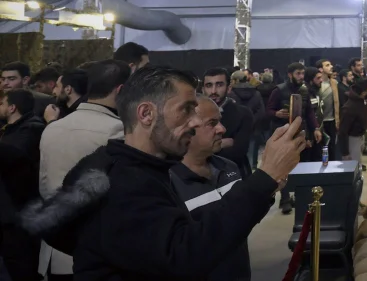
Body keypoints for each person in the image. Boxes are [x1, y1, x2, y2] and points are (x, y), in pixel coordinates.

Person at [26, 66, 305, 281]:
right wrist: (264, 177)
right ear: (146, 114)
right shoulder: (124, 181)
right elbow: (184, 254)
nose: (195, 122)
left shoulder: (124, 166)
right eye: (186, 110)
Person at [37, 59, 130, 281]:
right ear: (121, 90)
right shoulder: (118, 130)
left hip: (54, 247)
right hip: (93, 253)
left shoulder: (52, 127)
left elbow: (44, 187)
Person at [169, 97, 252, 281]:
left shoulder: (229, 167)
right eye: (212, 123)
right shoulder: (169, 182)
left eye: (220, 121)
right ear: (186, 129)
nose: (222, 129)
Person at [0, 90, 45, 280]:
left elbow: (16, 159)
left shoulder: (31, 130)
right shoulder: (10, 130)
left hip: (19, 211)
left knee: (22, 266)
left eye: (2, 103)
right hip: (10, 210)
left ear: (12, 107)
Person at [266, 63, 319, 213]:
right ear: (290, 74)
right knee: (284, 166)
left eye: (302, 73)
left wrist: (316, 128)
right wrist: (276, 113)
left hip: (300, 133)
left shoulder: (305, 90)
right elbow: (268, 110)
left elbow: (309, 112)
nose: (301, 76)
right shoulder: (278, 90)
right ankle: (285, 199)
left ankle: (299, 196)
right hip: (283, 133)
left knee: (300, 165)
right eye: (298, 73)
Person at [203, 68, 252, 174]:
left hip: (235, 174)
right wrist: (220, 144)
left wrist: (202, 149)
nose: (213, 91)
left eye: (219, 85)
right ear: (203, 89)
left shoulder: (243, 113)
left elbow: (238, 153)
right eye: (209, 85)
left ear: (229, 88)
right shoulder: (195, 113)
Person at [228, 71, 265, 171]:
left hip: (235, 130)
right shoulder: (256, 93)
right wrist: (251, 121)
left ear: (235, 80)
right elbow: (261, 112)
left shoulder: (230, 94)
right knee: (252, 154)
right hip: (254, 129)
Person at [339, 78, 367, 165]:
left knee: (358, 164)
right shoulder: (349, 108)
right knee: (353, 165)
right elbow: (342, 131)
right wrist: (345, 152)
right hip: (353, 140)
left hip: (360, 137)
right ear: (363, 92)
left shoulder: (362, 100)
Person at [316, 60, 338, 158]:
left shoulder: (334, 83)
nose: (331, 66)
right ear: (321, 69)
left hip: (331, 121)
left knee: (332, 149)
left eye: (330, 64)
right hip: (318, 122)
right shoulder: (316, 84)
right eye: (327, 65)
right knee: (319, 150)